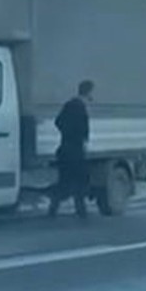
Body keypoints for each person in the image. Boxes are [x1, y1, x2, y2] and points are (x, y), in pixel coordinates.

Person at [48, 80, 94, 218]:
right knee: (79, 182)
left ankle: (53, 208)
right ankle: (81, 212)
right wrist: (79, 138)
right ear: (88, 92)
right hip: (76, 150)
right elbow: (83, 130)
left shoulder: (69, 104)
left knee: (65, 181)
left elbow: (58, 121)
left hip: (64, 149)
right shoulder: (80, 108)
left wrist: (66, 133)